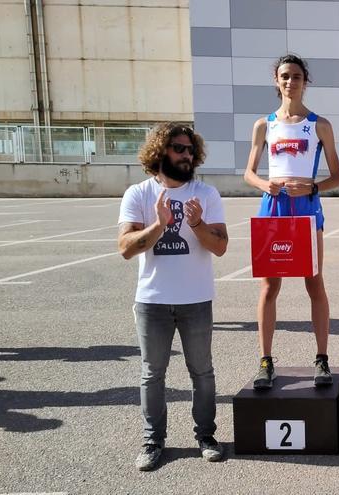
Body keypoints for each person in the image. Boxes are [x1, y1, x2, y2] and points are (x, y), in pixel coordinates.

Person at [118, 122, 228, 471]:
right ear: (160, 151)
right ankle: (153, 441)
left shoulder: (206, 194)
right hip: (152, 301)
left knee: (202, 372)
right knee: (152, 374)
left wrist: (196, 225)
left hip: (195, 299)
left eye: (190, 149)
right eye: (179, 148)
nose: (186, 155)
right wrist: (160, 225)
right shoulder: (138, 194)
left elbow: (221, 247)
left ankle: (206, 436)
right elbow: (125, 248)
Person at [243, 54, 339, 390]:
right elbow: (248, 173)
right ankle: (266, 361)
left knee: (314, 284)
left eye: (297, 76)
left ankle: (322, 359)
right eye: (285, 76)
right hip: (272, 208)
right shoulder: (264, 125)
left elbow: (338, 177)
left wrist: (313, 185)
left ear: (305, 81)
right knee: (270, 287)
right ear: (276, 80)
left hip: (306, 209)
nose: (290, 82)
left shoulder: (319, 125)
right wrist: (263, 184)